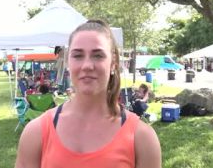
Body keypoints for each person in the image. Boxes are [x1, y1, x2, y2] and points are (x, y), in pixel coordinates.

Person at [15, 20, 161, 168]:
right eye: (78, 56)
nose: (87, 65)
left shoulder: (142, 138)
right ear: (68, 63)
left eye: (98, 55)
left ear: (113, 64)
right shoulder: (36, 133)